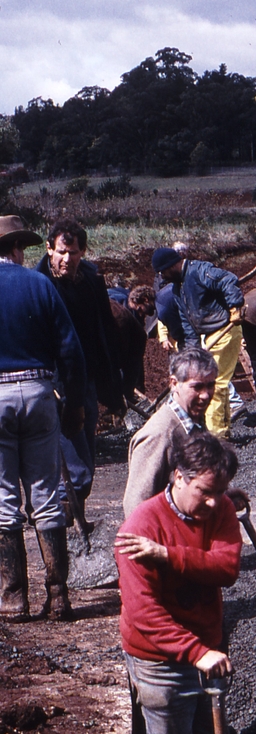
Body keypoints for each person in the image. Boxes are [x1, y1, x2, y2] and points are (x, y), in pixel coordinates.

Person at [115, 433, 241, 734]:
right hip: (160, 662)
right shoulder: (139, 526)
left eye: (219, 492)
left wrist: (170, 556)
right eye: (204, 491)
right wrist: (195, 651)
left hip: (204, 654)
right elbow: (144, 614)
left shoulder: (219, 507)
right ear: (178, 476)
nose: (212, 502)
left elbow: (226, 566)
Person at [0, 215, 86, 621]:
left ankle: (14, 598)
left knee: (4, 500)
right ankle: (58, 595)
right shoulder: (39, 285)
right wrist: (74, 406)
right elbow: (70, 350)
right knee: (46, 494)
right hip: (38, 392)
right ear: (18, 249)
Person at [37, 218, 125, 516]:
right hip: (57, 378)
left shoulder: (90, 279)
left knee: (86, 439)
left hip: (86, 373)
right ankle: (63, 515)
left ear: (83, 251)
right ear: (49, 249)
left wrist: (113, 381)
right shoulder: (39, 282)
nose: (67, 259)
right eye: (61, 252)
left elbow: (105, 329)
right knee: (74, 454)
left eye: (73, 253)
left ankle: (75, 514)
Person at [152, 247, 243, 439]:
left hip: (224, 329)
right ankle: (223, 430)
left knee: (215, 383)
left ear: (172, 264)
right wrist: (192, 354)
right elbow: (188, 323)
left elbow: (227, 279)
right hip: (208, 334)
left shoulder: (199, 270)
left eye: (165, 271)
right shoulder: (178, 288)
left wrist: (235, 306)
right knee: (220, 382)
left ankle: (216, 436)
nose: (165, 277)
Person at [122, 348, 218, 517]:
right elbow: (136, 508)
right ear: (174, 384)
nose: (205, 395)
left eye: (211, 385)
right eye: (197, 387)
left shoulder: (193, 420)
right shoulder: (159, 434)